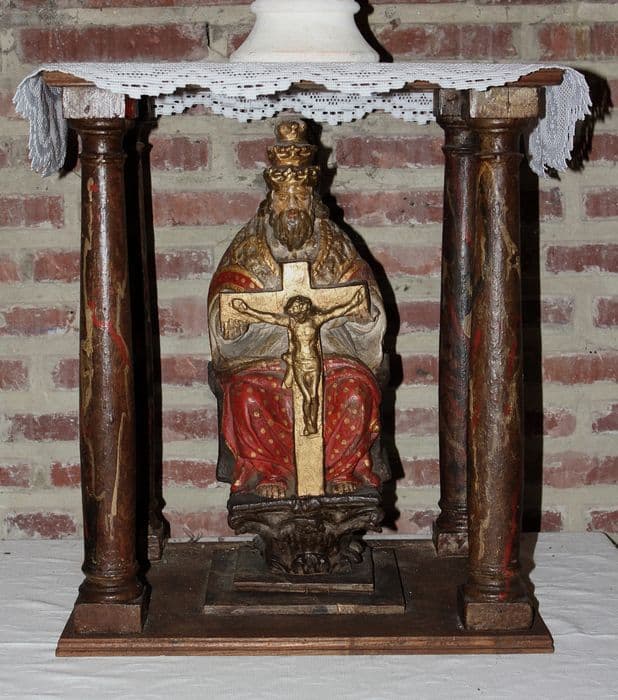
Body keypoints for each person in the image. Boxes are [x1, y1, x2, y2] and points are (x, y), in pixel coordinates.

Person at [208, 119, 388, 499]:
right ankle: (268, 473)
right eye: (284, 198)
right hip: (262, 363)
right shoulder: (249, 249)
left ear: (312, 201)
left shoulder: (334, 247)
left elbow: (364, 302)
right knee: (247, 397)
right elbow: (226, 305)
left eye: (300, 198)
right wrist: (232, 327)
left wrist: (363, 319)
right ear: (271, 202)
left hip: (332, 360)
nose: (292, 207)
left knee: (355, 394)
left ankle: (340, 470)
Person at [231, 288, 366, 436]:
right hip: (299, 364)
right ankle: (308, 424)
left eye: (297, 308)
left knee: (314, 396)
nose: (294, 312)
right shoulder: (291, 322)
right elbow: (270, 318)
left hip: (313, 363)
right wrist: (247, 310)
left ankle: (312, 424)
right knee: (306, 397)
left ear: (304, 308)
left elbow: (335, 313)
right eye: (293, 309)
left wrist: (354, 302)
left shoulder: (315, 320)